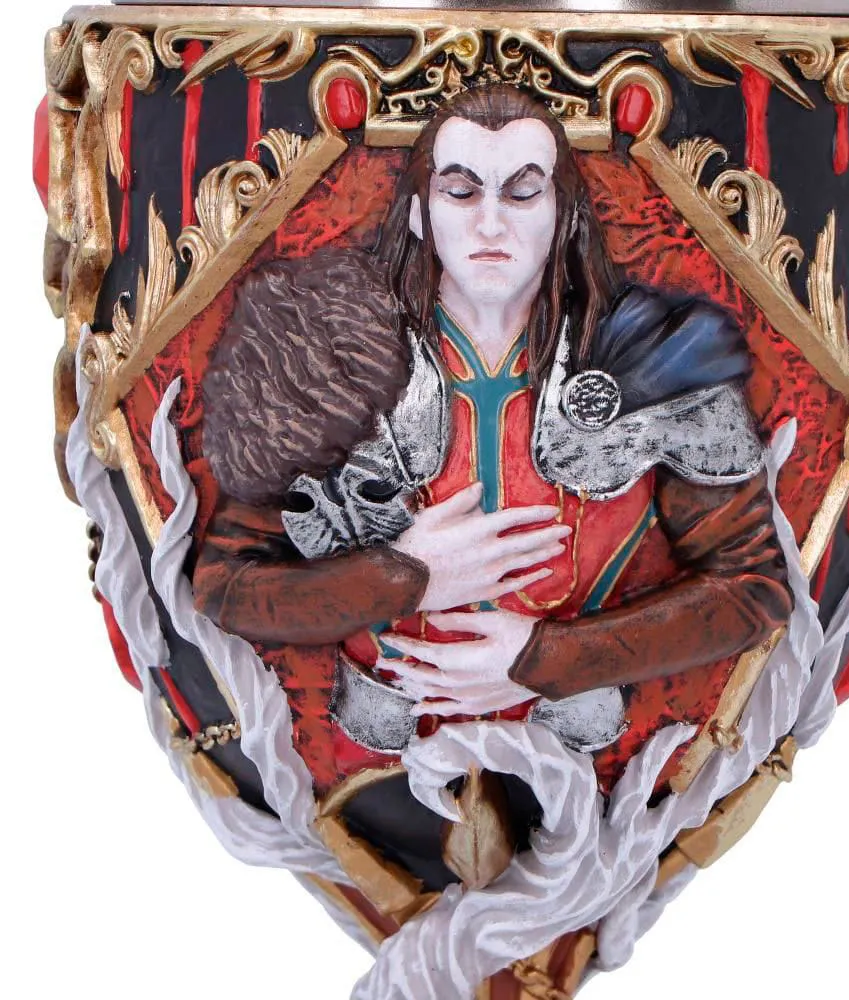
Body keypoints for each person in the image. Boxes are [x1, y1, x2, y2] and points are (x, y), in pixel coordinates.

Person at [194, 84, 792, 800]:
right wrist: (406, 575)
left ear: (565, 215)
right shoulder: (323, 352)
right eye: (460, 191)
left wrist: (546, 657)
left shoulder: (658, 355)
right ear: (418, 214)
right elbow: (225, 587)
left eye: (523, 193)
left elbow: (753, 589)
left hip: (584, 751)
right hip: (372, 753)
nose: (490, 223)